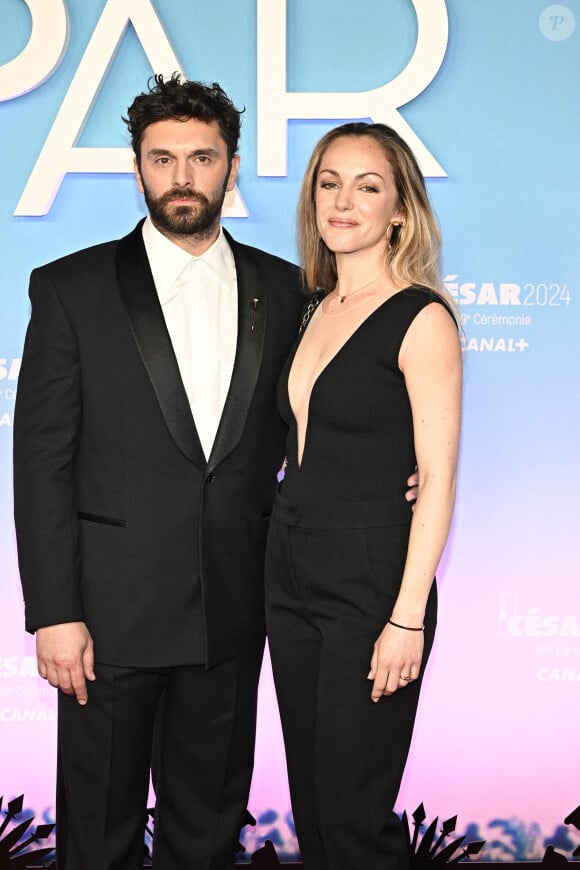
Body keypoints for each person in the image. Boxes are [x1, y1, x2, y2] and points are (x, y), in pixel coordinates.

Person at [12, 74, 305, 870]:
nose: (183, 176)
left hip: (232, 615)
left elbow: (314, 430)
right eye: (163, 158)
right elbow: (41, 462)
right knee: (98, 838)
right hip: (105, 624)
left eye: (202, 157)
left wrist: (388, 480)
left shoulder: (286, 291)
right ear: (136, 167)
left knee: (207, 837)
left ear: (231, 168)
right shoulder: (70, 288)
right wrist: (54, 613)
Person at [264, 122, 462, 870]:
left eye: (367, 186)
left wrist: (406, 617)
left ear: (400, 209)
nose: (343, 201)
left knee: (352, 817)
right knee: (316, 811)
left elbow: (438, 477)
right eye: (328, 182)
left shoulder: (422, 317)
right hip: (288, 569)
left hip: (372, 578)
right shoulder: (310, 308)